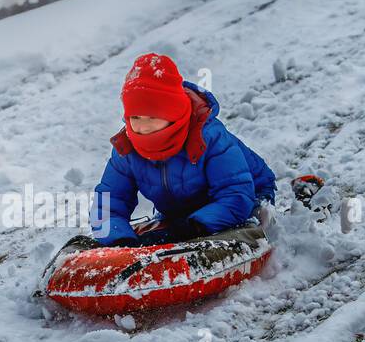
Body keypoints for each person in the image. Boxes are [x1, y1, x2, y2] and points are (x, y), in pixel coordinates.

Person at [92, 53, 277, 247]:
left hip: (247, 198)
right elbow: (107, 206)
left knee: (234, 237)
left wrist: (190, 229)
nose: (143, 127)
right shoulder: (127, 149)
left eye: (152, 117)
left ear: (171, 112)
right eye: (135, 118)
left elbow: (235, 195)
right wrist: (120, 240)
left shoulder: (208, 137)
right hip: (181, 212)